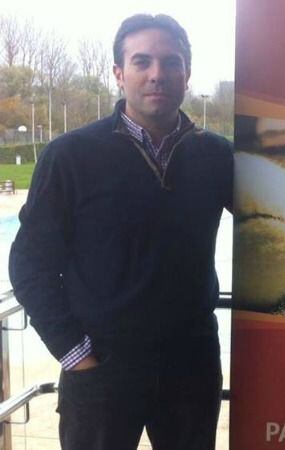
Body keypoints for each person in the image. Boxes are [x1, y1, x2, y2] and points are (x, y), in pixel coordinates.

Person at [9, 14, 232, 450]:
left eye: (171, 61)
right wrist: (76, 354)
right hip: (101, 370)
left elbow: (277, 221)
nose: (157, 74)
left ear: (188, 72)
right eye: (141, 61)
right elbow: (30, 265)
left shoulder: (218, 156)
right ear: (118, 73)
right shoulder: (69, 156)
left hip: (190, 366)